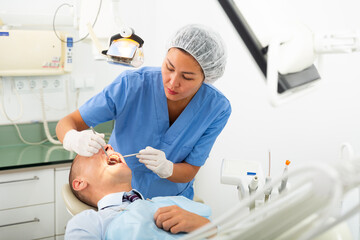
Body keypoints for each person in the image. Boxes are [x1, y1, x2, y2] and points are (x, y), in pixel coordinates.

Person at [56, 24, 231, 200]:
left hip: (171, 202)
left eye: (186, 77)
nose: (172, 82)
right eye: (169, 67)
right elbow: (67, 123)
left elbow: (190, 170)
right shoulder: (132, 85)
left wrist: (168, 168)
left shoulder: (216, 109)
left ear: (206, 78)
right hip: (121, 198)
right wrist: (73, 138)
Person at [65, 144, 214, 240]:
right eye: (91, 152)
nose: (109, 147)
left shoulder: (170, 203)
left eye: (108, 148)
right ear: (80, 183)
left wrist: (204, 226)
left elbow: (223, 233)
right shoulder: (89, 222)